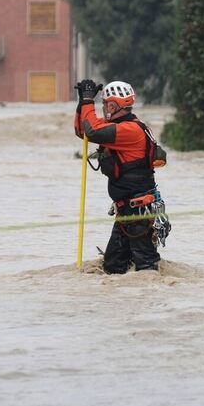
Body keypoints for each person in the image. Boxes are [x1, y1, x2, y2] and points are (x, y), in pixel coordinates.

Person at [74, 79, 169, 273]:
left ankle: (152, 299)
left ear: (113, 105)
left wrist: (88, 100)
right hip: (126, 211)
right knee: (113, 267)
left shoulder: (129, 130)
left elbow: (92, 131)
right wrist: (82, 102)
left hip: (139, 211)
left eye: (104, 104)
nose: (102, 108)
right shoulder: (118, 127)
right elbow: (82, 130)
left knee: (146, 268)